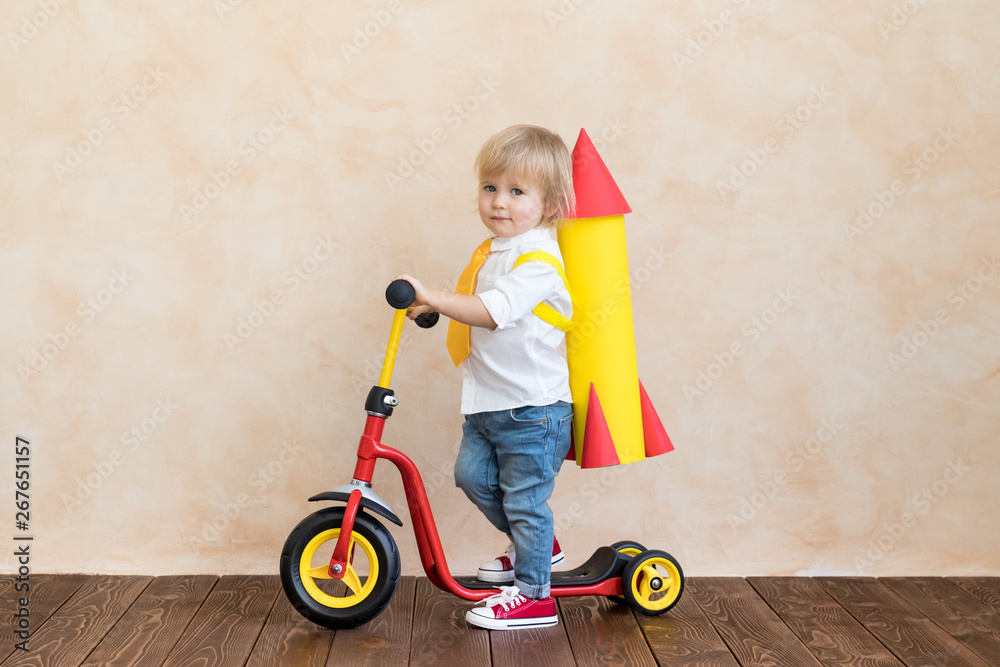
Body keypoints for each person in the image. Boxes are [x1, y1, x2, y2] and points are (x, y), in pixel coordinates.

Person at [395, 124, 575, 630]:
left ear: (551, 204)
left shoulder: (539, 261)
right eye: (491, 187)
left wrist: (436, 298)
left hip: (532, 409)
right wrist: (435, 309)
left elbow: (494, 311)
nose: (500, 202)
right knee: (471, 478)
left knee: (525, 499)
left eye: (518, 192)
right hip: (490, 403)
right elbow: (471, 305)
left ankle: (535, 595)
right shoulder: (494, 251)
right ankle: (538, 549)